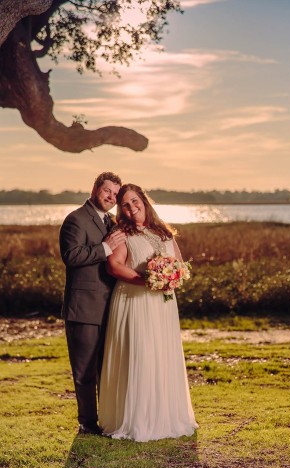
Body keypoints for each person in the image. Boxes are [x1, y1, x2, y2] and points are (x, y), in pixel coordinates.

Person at [98, 183, 198, 441]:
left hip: (163, 303)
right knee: (140, 353)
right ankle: (137, 419)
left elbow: (178, 263)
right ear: (121, 210)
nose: (132, 208)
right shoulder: (122, 232)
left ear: (144, 200)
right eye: (126, 205)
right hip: (135, 300)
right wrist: (147, 280)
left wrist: (172, 277)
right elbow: (114, 266)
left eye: (135, 201)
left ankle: (165, 415)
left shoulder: (163, 231)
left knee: (162, 353)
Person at [59, 172, 126, 435]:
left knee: (107, 367)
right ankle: (87, 423)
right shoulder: (75, 219)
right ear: (95, 189)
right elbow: (72, 256)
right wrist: (105, 248)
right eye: (107, 191)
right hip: (83, 308)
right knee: (85, 370)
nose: (111, 197)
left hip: (111, 306)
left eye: (115, 195)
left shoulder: (112, 222)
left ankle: (108, 419)